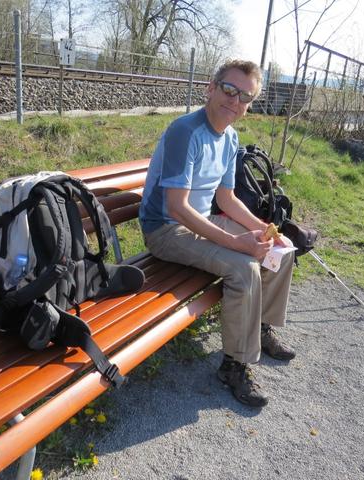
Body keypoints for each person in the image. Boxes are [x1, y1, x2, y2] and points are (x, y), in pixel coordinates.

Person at [138, 59, 295, 408]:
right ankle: (234, 365)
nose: (235, 101)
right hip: (165, 229)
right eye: (229, 90)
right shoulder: (185, 132)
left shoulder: (230, 138)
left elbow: (226, 198)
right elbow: (177, 208)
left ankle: (260, 328)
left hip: (200, 219)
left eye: (246, 97)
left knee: (280, 250)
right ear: (211, 88)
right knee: (245, 267)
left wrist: (263, 230)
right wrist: (237, 243)